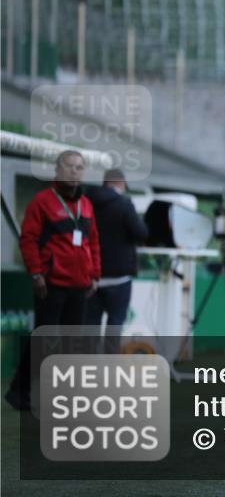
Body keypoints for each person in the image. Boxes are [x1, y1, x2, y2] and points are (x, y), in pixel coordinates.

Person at [5, 150, 101, 410]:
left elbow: (92, 242)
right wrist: (36, 273)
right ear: (57, 171)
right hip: (51, 284)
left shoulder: (87, 205)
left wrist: (95, 275)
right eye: (69, 166)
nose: (74, 171)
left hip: (80, 285)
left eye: (79, 167)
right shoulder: (42, 202)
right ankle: (21, 392)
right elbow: (28, 240)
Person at [85, 168, 148, 349]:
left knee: (90, 327)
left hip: (91, 277)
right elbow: (141, 233)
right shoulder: (124, 204)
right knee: (115, 326)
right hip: (119, 278)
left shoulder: (87, 203)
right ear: (120, 184)